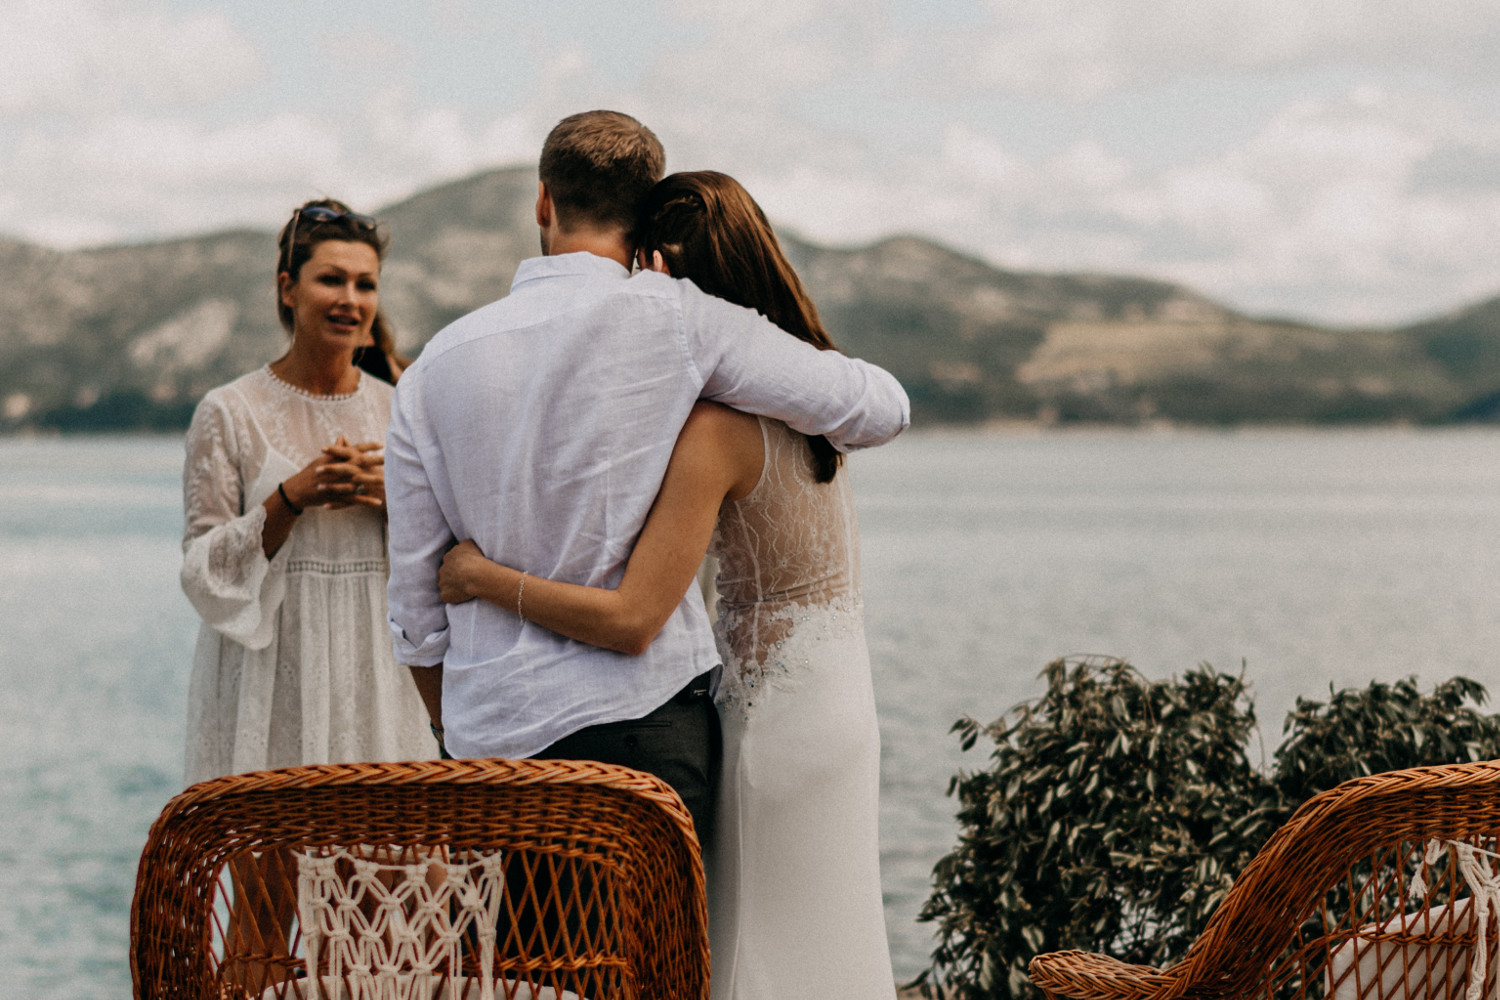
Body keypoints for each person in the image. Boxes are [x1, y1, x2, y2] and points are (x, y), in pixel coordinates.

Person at [384, 111, 909, 848]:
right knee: (653, 964)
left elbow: (414, 608)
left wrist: (453, 729)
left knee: (522, 967)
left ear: (543, 202)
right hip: (646, 734)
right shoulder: (684, 324)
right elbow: (881, 408)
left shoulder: (433, 366)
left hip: (491, 745)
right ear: (645, 209)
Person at [437, 170, 895, 999]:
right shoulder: (819, 403)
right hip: (841, 701)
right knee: (831, 939)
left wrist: (482, 575)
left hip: (769, 716)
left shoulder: (716, 429)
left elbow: (631, 616)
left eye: (651, 274)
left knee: (748, 950)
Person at [179, 198, 431, 787]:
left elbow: (452, 557)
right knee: (272, 876)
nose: (351, 298)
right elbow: (202, 572)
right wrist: (292, 496)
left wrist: (394, 498)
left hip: (380, 679)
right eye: (331, 279)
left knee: (393, 868)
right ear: (288, 289)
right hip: (269, 685)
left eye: (365, 284)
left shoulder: (405, 409)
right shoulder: (228, 411)